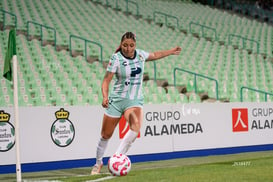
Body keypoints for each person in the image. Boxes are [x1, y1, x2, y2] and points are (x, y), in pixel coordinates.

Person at [91, 32, 181, 175]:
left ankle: (117, 158)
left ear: (135, 45)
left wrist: (171, 51)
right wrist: (104, 96)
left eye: (131, 45)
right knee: (105, 135)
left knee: (135, 126)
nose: (128, 48)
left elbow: (155, 55)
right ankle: (97, 163)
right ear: (121, 45)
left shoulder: (140, 55)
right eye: (125, 45)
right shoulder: (116, 58)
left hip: (134, 101)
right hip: (116, 101)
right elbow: (106, 80)